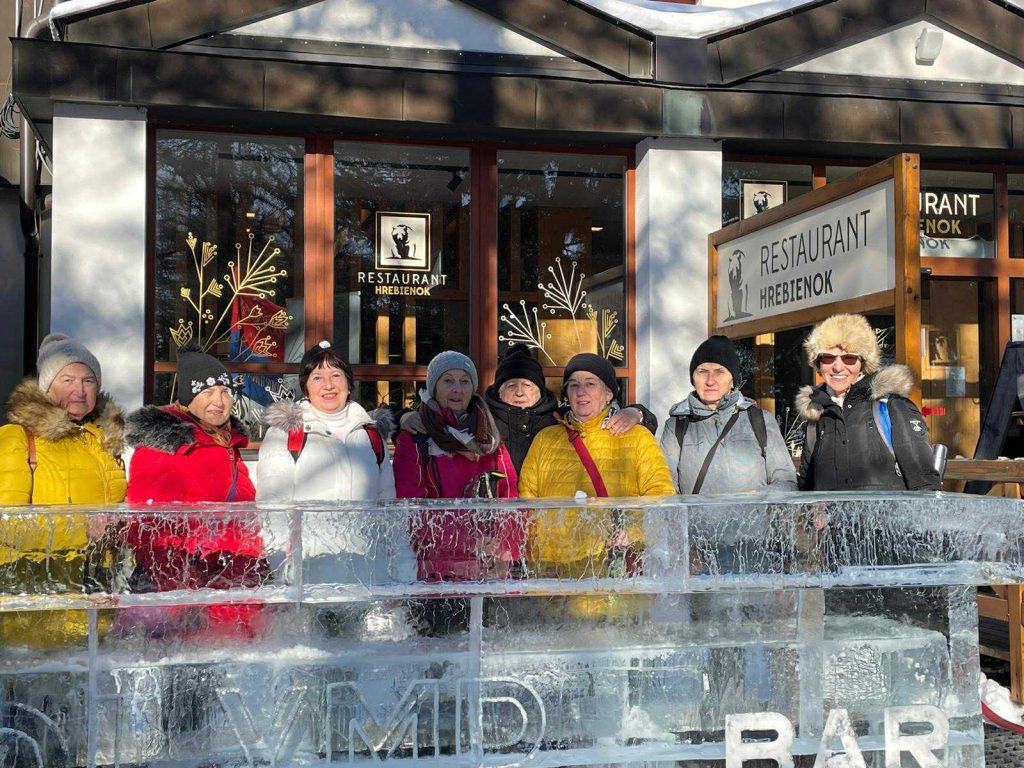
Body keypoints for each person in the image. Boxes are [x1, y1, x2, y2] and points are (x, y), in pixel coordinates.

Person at [123, 348, 266, 637]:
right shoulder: (164, 444)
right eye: (207, 391)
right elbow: (148, 524)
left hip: (229, 574)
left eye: (224, 392)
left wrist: (251, 562)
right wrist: (182, 577)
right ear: (188, 397)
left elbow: (242, 514)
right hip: (180, 581)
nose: (218, 401)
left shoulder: (226, 442)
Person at [519, 353, 674, 617]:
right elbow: (527, 503)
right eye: (573, 385)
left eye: (590, 384)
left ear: (608, 394)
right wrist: (536, 560)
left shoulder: (637, 438)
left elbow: (661, 496)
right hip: (556, 580)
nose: (581, 391)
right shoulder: (546, 439)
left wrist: (633, 532)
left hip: (615, 578)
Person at [0, 334, 126, 648]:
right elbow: (6, 523)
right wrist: (83, 529)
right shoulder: (18, 437)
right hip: (36, 601)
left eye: (88, 380)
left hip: (96, 595)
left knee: (89, 672)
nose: (79, 390)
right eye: (67, 379)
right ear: (46, 386)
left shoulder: (104, 441)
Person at [392, 350, 521, 634]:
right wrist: (468, 543)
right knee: (441, 652)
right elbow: (411, 507)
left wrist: (505, 550)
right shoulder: (416, 437)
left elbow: (509, 496)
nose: (457, 389)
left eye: (464, 381)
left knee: (488, 650)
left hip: (488, 570)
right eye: (447, 381)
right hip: (436, 575)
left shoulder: (490, 437)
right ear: (433, 387)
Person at [258, 340, 400, 586]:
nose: (328, 385)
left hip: (367, 577)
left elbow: (389, 511)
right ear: (305, 386)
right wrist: (283, 574)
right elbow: (272, 510)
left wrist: (399, 572)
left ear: (348, 384)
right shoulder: (286, 434)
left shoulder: (370, 435)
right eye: (317, 378)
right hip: (308, 578)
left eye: (336, 375)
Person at [795, 313, 940, 491]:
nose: (838, 367)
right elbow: (807, 491)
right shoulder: (816, 418)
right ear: (818, 363)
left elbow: (925, 483)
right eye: (828, 358)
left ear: (863, 363)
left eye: (849, 358)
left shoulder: (890, 407)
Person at [484, 343, 658, 473]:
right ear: (499, 392)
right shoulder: (483, 423)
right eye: (511, 386)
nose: (519, 393)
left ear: (540, 390)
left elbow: (591, 416)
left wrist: (637, 412)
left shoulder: (558, 418)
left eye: (527, 385)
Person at [660, 335, 796, 494]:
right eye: (702, 371)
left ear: (733, 380)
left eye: (719, 372)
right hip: (695, 512)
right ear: (693, 378)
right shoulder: (676, 426)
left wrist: (760, 499)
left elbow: (786, 481)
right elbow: (666, 487)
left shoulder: (760, 421)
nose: (710, 381)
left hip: (752, 511)